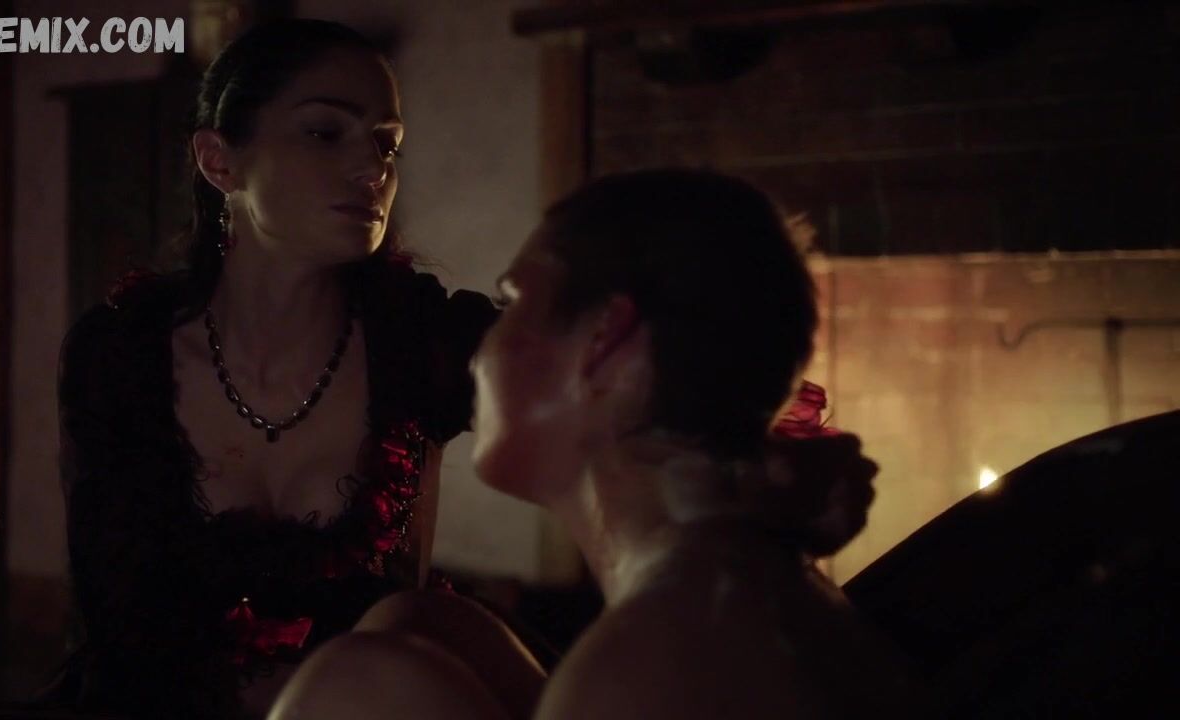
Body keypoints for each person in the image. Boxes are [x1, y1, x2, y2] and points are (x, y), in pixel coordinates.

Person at [272, 169, 917, 720]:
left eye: (511, 302)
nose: (480, 351)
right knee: (416, 624)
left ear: (605, 337)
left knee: (348, 682)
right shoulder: (738, 577)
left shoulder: (651, 668)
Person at [56, 19, 496, 719]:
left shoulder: (418, 334)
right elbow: (119, 619)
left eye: (386, 143)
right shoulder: (122, 354)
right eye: (325, 132)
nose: (374, 169)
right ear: (219, 161)